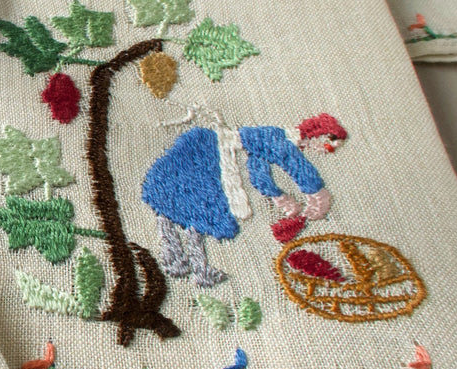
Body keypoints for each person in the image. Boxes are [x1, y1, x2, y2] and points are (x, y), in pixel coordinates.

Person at [141, 110, 347, 287]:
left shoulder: (267, 137)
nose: (322, 151)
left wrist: (280, 198)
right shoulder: (281, 139)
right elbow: (294, 164)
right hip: (207, 157)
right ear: (318, 137)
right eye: (328, 146)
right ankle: (196, 269)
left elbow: (259, 173)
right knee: (201, 215)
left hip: (197, 150)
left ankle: (176, 260)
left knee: (173, 210)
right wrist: (317, 196)